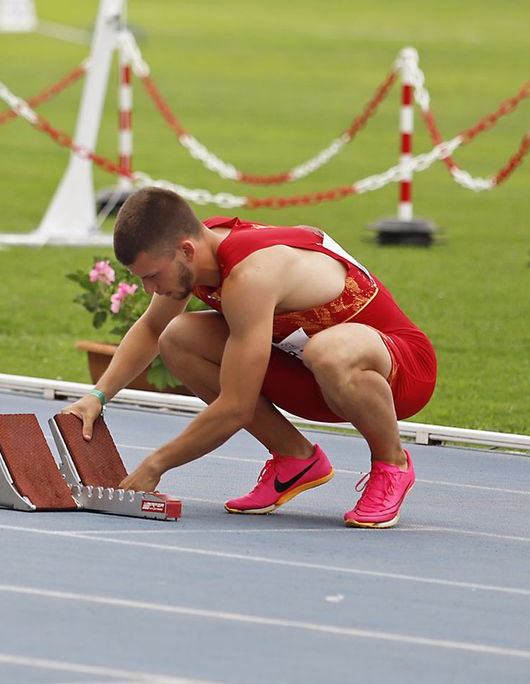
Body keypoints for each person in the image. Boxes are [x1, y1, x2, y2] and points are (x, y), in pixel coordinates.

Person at [60, 188, 437, 528]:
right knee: (177, 338)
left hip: (400, 374)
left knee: (328, 352)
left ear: (186, 251)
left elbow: (237, 406)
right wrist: (98, 396)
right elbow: (152, 329)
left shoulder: (251, 274)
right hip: (312, 374)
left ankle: (392, 463)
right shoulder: (193, 250)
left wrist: (154, 466)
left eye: (153, 276)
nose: (148, 288)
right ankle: (295, 459)